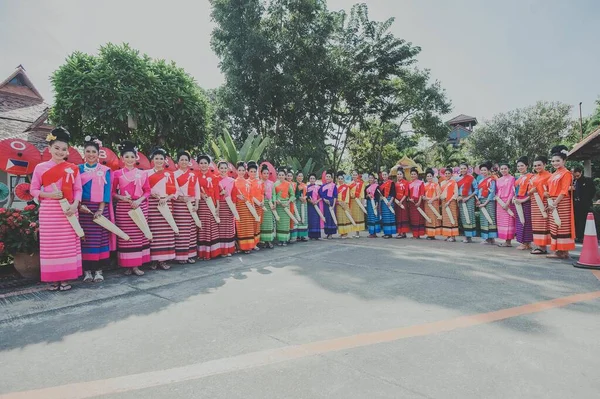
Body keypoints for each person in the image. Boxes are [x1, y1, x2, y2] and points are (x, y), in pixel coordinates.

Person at [30, 127, 82, 291]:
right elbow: (34, 190)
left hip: (69, 211)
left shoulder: (73, 168)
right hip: (49, 212)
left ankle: (65, 278)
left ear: (68, 151)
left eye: (64, 149)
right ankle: (53, 279)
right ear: (49, 148)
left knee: (67, 245)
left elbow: (78, 190)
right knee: (51, 246)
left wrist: (75, 205)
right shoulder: (40, 168)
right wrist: (50, 195)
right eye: (57, 148)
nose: (60, 152)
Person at [112, 141, 150, 276]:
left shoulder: (143, 173)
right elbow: (112, 192)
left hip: (140, 206)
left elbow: (147, 191)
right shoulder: (116, 174)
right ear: (122, 158)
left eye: (132, 157)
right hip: (123, 208)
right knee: (126, 237)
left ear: (136, 158)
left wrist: (139, 200)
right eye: (126, 157)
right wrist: (121, 198)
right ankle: (127, 265)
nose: (129, 159)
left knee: (139, 235)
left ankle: (137, 265)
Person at [78, 136, 111, 283]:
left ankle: (98, 270)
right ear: (84, 153)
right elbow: (75, 189)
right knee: (85, 240)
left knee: (99, 240)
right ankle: (86, 271)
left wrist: (101, 209)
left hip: (99, 209)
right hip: (83, 208)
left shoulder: (105, 170)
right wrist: (79, 206)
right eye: (88, 151)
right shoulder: (77, 169)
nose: (91, 154)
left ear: (98, 154)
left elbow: (107, 190)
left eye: (94, 151)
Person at [147, 148, 178, 270]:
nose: (159, 161)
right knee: (154, 231)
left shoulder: (170, 174)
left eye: (161, 158)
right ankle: (154, 260)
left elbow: (175, 191)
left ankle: (164, 260)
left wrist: (167, 198)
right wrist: (151, 194)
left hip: (166, 204)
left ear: (165, 160)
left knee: (167, 232)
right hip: (153, 205)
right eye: (156, 158)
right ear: (152, 160)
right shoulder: (147, 173)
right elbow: (144, 189)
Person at [546, 145, 575, 259]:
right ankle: (558, 250)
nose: (555, 163)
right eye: (553, 161)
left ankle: (564, 251)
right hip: (553, 200)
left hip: (561, 202)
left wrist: (555, 203)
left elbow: (564, 191)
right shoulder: (554, 173)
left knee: (562, 225)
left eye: (558, 161)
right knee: (554, 226)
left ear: (564, 160)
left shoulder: (566, 173)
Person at [173, 151, 199, 264]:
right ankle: (180, 256)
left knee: (191, 230)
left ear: (189, 162)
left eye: (186, 160)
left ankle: (190, 254)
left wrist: (197, 204)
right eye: (182, 159)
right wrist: (180, 199)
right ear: (178, 161)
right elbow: (172, 190)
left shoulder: (193, 175)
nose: (184, 162)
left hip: (192, 204)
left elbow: (197, 190)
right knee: (181, 230)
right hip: (179, 205)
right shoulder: (174, 175)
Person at [197, 155, 221, 260]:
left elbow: (216, 192)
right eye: (201, 163)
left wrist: (218, 205)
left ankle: (213, 252)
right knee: (203, 226)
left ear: (208, 164)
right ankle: (203, 253)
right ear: (198, 164)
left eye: (205, 163)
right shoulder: (195, 176)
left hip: (212, 203)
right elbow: (193, 190)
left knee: (212, 226)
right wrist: (201, 195)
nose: (203, 165)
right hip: (201, 204)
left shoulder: (215, 177)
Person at [529, 156, 552, 255]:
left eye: (539, 165)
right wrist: (531, 191)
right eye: (535, 165)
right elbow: (528, 192)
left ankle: (543, 246)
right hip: (534, 203)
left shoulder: (549, 176)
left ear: (545, 165)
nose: (537, 167)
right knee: (536, 224)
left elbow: (551, 189)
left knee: (544, 224)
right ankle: (539, 245)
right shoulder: (533, 177)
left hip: (544, 202)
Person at [216, 160, 237, 257]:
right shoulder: (215, 180)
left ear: (228, 169)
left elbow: (234, 194)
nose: (223, 170)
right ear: (218, 169)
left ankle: (228, 249)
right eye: (221, 168)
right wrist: (220, 195)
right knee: (220, 228)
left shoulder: (232, 181)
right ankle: (221, 250)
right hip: (219, 206)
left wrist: (233, 206)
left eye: (225, 168)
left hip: (229, 206)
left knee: (228, 228)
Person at [234, 162, 256, 254]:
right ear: (236, 171)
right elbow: (232, 195)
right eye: (239, 170)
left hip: (248, 206)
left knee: (249, 227)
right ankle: (241, 246)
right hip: (239, 207)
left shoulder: (248, 182)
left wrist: (253, 206)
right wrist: (237, 196)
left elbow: (251, 195)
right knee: (241, 227)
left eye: (243, 170)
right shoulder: (234, 182)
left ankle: (249, 246)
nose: (241, 172)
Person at [513, 157, 533, 250]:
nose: (520, 167)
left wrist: (524, 200)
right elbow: (515, 190)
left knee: (526, 221)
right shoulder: (517, 177)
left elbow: (533, 191)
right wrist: (515, 198)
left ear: (527, 166)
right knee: (520, 221)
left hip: (527, 201)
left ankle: (526, 243)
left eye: (522, 165)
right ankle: (524, 242)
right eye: (518, 166)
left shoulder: (531, 176)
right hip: (518, 201)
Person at [572, 166, 596, 243]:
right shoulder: (572, 182)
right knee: (576, 221)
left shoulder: (588, 180)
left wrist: (587, 199)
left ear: (581, 173)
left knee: (584, 221)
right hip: (575, 204)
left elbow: (593, 191)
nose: (576, 177)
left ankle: (582, 236)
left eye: (577, 176)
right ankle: (577, 236)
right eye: (574, 176)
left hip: (585, 204)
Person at [476, 162, 498, 245]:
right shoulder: (480, 180)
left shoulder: (492, 179)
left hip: (489, 201)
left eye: (485, 170)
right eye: (481, 170)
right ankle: (486, 238)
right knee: (484, 219)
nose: (483, 172)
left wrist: (485, 203)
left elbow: (492, 192)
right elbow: (479, 192)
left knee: (490, 218)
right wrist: (478, 200)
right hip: (481, 200)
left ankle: (491, 238)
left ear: (488, 170)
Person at [496, 162, 516, 247]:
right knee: (502, 222)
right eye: (502, 169)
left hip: (508, 201)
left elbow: (512, 191)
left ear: (508, 169)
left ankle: (509, 241)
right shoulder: (498, 179)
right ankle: (505, 240)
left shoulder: (512, 178)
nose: (503, 170)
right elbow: (497, 191)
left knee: (509, 221)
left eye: (505, 168)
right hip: (499, 202)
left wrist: (508, 202)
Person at [457, 163, 477, 243]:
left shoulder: (471, 178)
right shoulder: (457, 179)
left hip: (469, 199)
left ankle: (469, 236)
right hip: (461, 199)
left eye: (464, 168)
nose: (463, 170)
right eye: (461, 168)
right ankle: (466, 235)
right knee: (464, 218)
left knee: (469, 217)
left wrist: (468, 197)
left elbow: (476, 190)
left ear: (467, 169)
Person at [275, 168, 295, 244]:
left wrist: (288, 202)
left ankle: (285, 239)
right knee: (279, 222)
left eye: (282, 175)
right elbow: (274, 195)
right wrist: (276, 200)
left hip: (286, 205)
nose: (281, 176)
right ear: (277, 175)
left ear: (285, 176)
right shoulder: (275, 184)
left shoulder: (288, 184)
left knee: (286, 223)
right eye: (279, 175)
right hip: (279, 206)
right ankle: (280, 240)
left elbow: (292, 195)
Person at [440, 167, 459, 241]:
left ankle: (453, 236)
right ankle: (448, 235)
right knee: (446, 219)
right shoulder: (442, 183)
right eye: (446, 173)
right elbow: (441, 193)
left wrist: (449, 201)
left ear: (451, 174)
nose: (447, 175)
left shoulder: (454, 182)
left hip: (451, 202)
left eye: (448, 173)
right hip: (444, 202)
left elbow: (456, 193)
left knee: (452, 218)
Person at [259, 164, 276, 248]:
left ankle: (269, 240)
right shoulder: (258, 182)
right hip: (261, 204)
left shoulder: (271, 183)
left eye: (267, 173)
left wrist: (274, 203)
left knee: (269, 223)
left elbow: (274, 194)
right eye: (264, 173)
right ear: (261, 174)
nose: (266, 175)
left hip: (269, 204)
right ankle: (262, 241)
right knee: (262, 223)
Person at [247, 161, 263, 249]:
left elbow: (262, 193)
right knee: (251, 224)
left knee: (257, 224)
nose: (253, 173)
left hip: (259, 206)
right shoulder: (246, 182)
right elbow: (249, 195)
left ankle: (256, 242)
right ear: (248, 172)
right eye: (251, 171)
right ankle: (251, 243)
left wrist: (262, 202)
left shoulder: (260, 182)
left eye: (254, 171)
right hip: (250, 205)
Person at [423, 168, 441, 240]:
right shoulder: (424, 185)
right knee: (428, 218)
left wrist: (432, 199)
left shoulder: (436, 185)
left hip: (434, 203)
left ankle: (433, 234)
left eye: (430, 176)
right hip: (427, 203)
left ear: (433, 177)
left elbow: (438, 195)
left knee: (433, 218)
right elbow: (423, 194)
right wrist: (424, 198)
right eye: (428, 176)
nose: (429, 177)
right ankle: (429, 234)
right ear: (426, 177)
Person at [319, 171, 338, 239]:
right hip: (325, 203)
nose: (328, 178)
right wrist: (324, 199)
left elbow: (335, 195)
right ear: (325, 177)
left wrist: (333, 204)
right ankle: (327, 233)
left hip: (332, 202)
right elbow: (321, 194)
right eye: (327, 176)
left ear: (331, 178)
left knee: (331, 218)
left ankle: (331, 234)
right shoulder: (322, 186)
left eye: (329, 177)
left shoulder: (334, 185)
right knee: (326, 217)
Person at [407, 168, 425, 239]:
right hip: (412, 203)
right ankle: (414, 234)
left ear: (417, 175)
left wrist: (419, 202)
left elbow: (422, 193)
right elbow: (407, 194)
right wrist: (409, 199)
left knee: (419, 218)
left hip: (419, 202)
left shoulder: (421, 183)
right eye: (412, 174)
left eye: (414, 174)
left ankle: (419, 234)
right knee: (413, 218)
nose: (413, 175)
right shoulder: (409, 183)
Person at [378, 171, 396, 238]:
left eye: (385, 174)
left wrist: (390, 201)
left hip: (389, 201)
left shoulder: (391, 183)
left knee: (389, 217)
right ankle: (386, 232)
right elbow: (380, 194)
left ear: (388, 175)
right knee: (385, 217)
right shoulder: (381, 184)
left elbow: (393, 193)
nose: (384, 176)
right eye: (383, 175)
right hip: (383, 202)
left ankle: (389, 233)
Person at [393, 169, 410, 239]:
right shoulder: (395, 183)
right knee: (398, 217)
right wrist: (397, 201)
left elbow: (406, 194)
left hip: (403, 202)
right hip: (397, 202)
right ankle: (399, 232)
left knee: (403, 216)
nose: (399, 175)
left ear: (403, 175)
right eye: (398, 174)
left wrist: (401, 201)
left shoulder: (406, 183)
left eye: (400, 174)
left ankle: (404, 232)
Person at [335, 171, 353, 238]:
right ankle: (341, 232)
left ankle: (345, 233)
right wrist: (338, 202)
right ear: (337, 179)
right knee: (340, 218)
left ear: (343, 179)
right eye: (339, 179)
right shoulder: (336, 187)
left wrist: (344, 203)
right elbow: (334, 196)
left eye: (341, 179)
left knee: (345, 218)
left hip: (344, 204)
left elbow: (348, 196)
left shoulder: (346, 187)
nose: (340, 180)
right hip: (338, 204)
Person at [348, 171, 365, 238]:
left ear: (358, 175)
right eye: (353, 175)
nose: (354, 176)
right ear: (352, 176)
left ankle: (358, 232)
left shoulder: (361, 183)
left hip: (358, 201)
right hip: (352, 201)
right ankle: (354, 231)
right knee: (353, 216)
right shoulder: (350, 184)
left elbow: (362, 194)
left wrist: (362, 203)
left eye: (355, 175)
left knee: (358, 216)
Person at [306, 173, 322, 240]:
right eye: (311, 178)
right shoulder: (307, 187)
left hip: (316, 204)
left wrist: (316, 201)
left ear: (315, 179)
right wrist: (310, 201)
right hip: (310, 205)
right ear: (309, 179)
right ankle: (311, 235)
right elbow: (306, 196)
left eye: (313, 178)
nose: (312, 180)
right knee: (311, 220)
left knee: (316, 220)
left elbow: (321, 196)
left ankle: (317, 235)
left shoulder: (318, 187)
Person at [365, 172, 381, 238]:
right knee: (370, 218)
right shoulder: (367, 187)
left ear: (374, 179)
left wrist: (376, 204)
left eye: (372, 178)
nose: (370, 179)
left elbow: (377, 196)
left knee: (374, 217)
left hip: (374, 203)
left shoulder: (377, 186)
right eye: (369, 178)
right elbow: (365, 196)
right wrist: (367, 195)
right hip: (369, 203)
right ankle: (371, 232)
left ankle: (374, 233)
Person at [295, 172, 309, 241]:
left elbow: (308, 193)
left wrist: (305, 197)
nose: (300, 177)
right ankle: (298, 235)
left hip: (304, 202)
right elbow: (294, 194)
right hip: (298, 202)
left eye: (301, 176)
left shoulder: (305, 185)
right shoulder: (295, 185)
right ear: (296, 177)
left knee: (304, 218)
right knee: (299, 217)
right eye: (299, 176)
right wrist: (299, 198)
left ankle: (303, 235)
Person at [287, 170, 298, 243]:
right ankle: (287, 236)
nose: (289, 177)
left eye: (291, 176)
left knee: (293, 218)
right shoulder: (284, 184)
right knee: (287, 218)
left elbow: (297, 193)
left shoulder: (294, 184)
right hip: (287, 203)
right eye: (288, 176)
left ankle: (293, 236)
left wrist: (294, 199)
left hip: (293, 202)